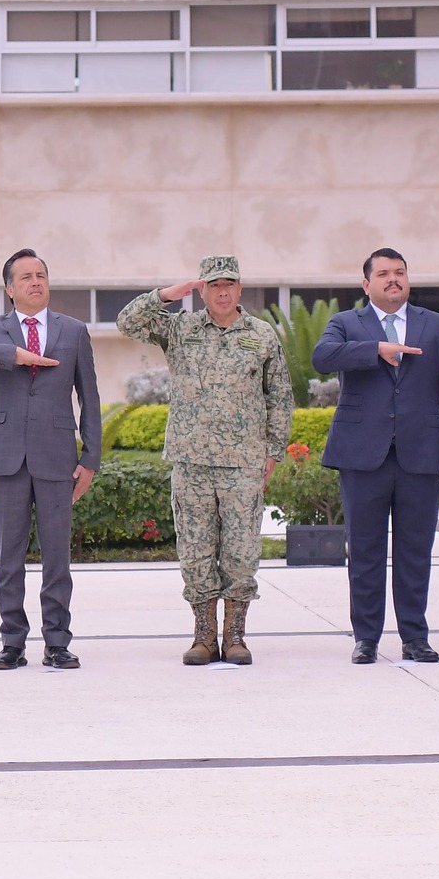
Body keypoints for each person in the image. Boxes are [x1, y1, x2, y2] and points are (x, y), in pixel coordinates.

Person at [117, 256, 293, 666]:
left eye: (229, 284)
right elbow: (128, 323)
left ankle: (234, 637)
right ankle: (203, 635)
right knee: (195, 551)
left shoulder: (261, 335)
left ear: (240, 288)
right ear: (202, 290)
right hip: (191, 461)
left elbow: (280, 396)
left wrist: (273, 450)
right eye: (214, 285)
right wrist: (164, 296)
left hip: (243, 463)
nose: (223, 292)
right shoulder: (181, 329)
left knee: (241, 552)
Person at [0, 248, 103, 671]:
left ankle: (57, 642)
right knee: (8, 556)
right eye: (26, 277)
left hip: (57, 457)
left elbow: (89, 396)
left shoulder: (72, 330)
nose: (36, 282)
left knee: (57, 557)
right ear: (10, 289)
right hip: (5, 456)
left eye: (42, 275)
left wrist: (91, 458)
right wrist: (12, 355)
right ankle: (12, 642)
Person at [312, 249, 439, 665]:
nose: (393, 279)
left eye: (399, 273)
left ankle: (415, 637)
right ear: (367, 284)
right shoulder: (347, 324)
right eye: (383, 274)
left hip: (421, 455)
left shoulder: (435, 326)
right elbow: (322, 357)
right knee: (364, 551)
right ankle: (366, 638)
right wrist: (374, 348)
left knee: (415, 550)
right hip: (362, 456)